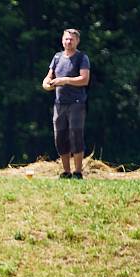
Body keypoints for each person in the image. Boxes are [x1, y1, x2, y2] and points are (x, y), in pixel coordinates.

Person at [41, 29, 91, 179]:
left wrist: (64, 80)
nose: (69, 42)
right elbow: (49, 77)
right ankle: (66, 172)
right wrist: (46, 84)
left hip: (76, 103)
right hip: (59, 104)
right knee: (60, 136)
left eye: (72, 39)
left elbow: (84, 79)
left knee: (75, 135)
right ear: (62, 40)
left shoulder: (82, 57)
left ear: (77, 41)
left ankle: (78, 172)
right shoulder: (57, 57)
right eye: (66, 39)